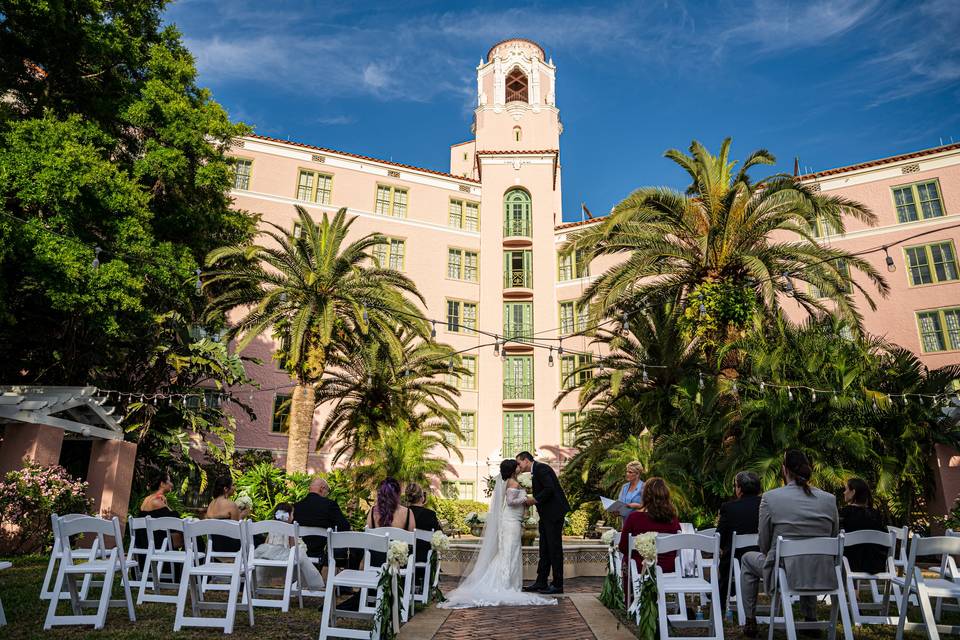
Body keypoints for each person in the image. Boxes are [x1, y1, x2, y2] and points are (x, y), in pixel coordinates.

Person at [739, 450, 839, 638]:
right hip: (821, 570)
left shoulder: (771, 498)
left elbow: (764, 543)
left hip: (784, 571)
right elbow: (833, 536)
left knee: (746, 559)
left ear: (784, 470)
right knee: (810, 557)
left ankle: (751, 619)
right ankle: (810, 619)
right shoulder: (829, 499)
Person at [438, 459, 557, 608]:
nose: (519, 467)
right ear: (514, 469)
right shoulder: (512, 483)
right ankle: (505, 584)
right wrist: (525, 499)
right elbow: (510, 501)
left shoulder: (511, 481)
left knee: (510, 552)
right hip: (510, 521)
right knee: (508, 552)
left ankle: (508, 583)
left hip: (513, 520)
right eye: (517, 465)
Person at [517, 451, 570, 595]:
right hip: (547, 514)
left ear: (526, 460)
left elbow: (549, 489)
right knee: (544, 547)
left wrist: (533, 500)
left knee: (554, 548)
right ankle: (541, 581)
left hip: (554, 514)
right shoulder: (537, 470)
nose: (518, 466)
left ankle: (558, 584)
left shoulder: (542, 468)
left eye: (519, 462)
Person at [252, 502, 324, 591]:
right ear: (288, 516)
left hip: (268, 555)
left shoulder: (271, 527)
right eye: (293, 514)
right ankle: (311, 584)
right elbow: (292, 546)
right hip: (283, 556)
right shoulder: (290, 528)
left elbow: (267, 543)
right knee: (300, 556)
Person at [618, 477, 681, 576]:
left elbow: (623, 547)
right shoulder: (673, 520)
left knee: (626, 559)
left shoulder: (633, 518)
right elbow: (676, 547)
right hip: (668, 569)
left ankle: (630, 590)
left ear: (645, 495)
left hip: (639, 569)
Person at [716, 471, 762, 605]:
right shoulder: (767, 505)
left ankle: (722, 602)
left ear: (739, 489)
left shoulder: (729, 508)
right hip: (762, 556)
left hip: (735, 560)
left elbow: (720, 535)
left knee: (726, 556)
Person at [292, 476, 352, 563]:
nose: (326, 495)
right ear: (322, 488)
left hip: (301, 552)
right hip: (324, 553)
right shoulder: (330, 505)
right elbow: (344, 527)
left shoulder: (296, 506)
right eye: (326, 492)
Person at [366, 478, 417, 568]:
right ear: (398, 493)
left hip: (375, 563)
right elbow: (412, 542)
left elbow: (368, 539)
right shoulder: (408, 513)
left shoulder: (373, 511)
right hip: (399, 565)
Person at [840, 478, 887, 574]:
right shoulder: (876, 515)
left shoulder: (844, 513)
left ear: (853, 492)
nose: (844, 493)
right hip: (875, 564)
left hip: (848, 564)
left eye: (846, 489)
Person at [136, 469, 181, 570]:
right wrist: (166, 505)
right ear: (162, 484)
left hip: (145, 540)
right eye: (169, 481)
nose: (171, 484)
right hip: (154, 543)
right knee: (191, 537)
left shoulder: (147, 499)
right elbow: (175, 520)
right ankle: (192, 573)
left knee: (181, 536)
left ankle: (178, 570)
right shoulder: (157, 501)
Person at [404, 482, 440, 588]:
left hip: (405, 555)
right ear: (422, 497)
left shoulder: (403, 513)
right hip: (423, 556)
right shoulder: (430, 514)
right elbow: (438, 535)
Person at [206, 476, 249, 553]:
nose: (234, 488)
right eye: (232, 485)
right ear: (225, 489)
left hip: (216, 545)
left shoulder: (211, 504)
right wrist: (244, 513)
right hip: (230, 545)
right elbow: (236, 527)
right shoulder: (230, 504)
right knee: (258, 539)